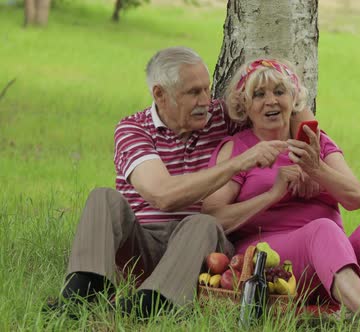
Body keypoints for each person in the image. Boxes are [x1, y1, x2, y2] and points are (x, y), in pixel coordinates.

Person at [47, 47, 313, 318]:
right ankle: (81, 295)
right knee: (103, 197)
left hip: (201, 248)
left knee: (202, 222)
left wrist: (306, 164)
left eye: (207, 90)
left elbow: (292, 109)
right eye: (193, 92)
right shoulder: (134, 129)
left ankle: (151, 305)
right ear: (160, 95)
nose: (206, 101)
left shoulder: (222, 117)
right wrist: (239, 162)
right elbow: (163, 195)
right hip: (143, 243)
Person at [202, 59, 360, 332]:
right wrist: (272, 194)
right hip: (273, 263)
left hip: (334, 259)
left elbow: (356, 198)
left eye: (279, 91)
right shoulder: (238, 149)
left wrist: (317, 169)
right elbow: (213, 215)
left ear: (293, 97)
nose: (271, 101)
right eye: (259, 95)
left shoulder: (316, 142)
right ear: (244, 106)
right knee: (322, 229)